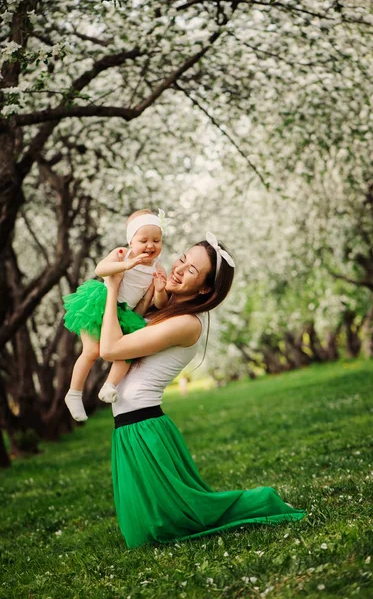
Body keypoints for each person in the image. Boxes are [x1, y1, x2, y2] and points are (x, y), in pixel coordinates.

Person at [99, 232, 306, 549]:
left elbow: (111, 348)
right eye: (182, 259)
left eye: (192, 270)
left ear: (206, 288)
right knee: (142, 535)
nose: (179, 269)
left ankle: (261, 500)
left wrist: (112, 286)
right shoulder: (164, 307)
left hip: (143, 429)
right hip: (131, 429)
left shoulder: (186, 323)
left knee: (168, 527)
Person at [63, 209, 169, 422]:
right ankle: (73, 393)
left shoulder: (158, 268)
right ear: (131, 241)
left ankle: (109, 386)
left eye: (156, 240)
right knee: (92, 351)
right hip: (99, 303)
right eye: (144, 240)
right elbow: (101, 269)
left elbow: (156, 303)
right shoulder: (123, 254)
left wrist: (159, 289)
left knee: (127, 352)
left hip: (124, 314)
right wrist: (127, 264)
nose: (150, 245)